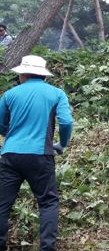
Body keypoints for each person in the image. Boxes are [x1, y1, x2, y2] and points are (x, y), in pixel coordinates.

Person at [0, 55, 73, 251]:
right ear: (44, 76)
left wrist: (14, 133)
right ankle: (47, 248)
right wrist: (62, 144)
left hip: (10, 154)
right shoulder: (56, 94)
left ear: (23, 73)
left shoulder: (9, 95)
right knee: (48, 202)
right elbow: (66, 122)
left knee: (2, 204)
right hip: (41, 155)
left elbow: (1, 125)